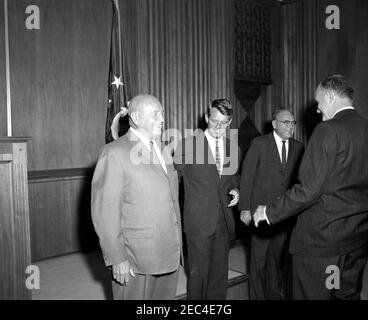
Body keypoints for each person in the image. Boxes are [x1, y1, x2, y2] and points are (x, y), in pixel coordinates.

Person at [253, 74, 368, 299]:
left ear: (330, 96)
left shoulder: (328, 130)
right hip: (356, 241)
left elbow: (309, 189)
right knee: (344, 296)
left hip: (323, 247)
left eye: (318, 103)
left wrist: (268, 212)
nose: (317, 110)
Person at [91, 94, 182, 300]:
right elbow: (105, 211)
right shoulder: (114, 152)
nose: (162, 119)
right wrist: (117, 257)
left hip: (168, 250)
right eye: (155, 114)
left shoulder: (163, 149)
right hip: (135, 257)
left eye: (162, 113)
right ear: (136, 117)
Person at [173, 98, 240, 300]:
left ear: (229, 123)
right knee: (198, 277)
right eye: (214, 121)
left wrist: (236, 190)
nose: (218, 126)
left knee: (219, 278)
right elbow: (172, 179)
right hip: (198, 222)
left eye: (224, 122)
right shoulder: (188, 145)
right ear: (206, 118)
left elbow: (233, 178)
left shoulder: (234, 148)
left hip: (223, 221)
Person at [239, 107, 304, 299]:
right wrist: (244, 208)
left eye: (293, 122)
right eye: (286, 122)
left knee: (276, 260)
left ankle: (274, 295)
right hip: (259, 213)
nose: (290, 126)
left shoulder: (299, 147)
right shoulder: (259, 143)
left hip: (283, 214)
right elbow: (247, 176)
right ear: (274, 124)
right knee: (258, 261)